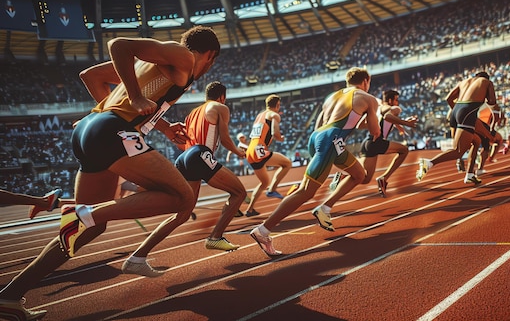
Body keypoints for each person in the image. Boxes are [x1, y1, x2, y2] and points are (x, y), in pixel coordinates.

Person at [0, 26, 220, 320]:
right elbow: (118, 45)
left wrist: (164, 127)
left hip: (91, 130)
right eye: (212, 62)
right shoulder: (183, 56)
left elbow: (90, 76)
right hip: (111, 130)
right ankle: (82, 214)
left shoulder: (153, 65)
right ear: (210, 55)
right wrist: (132, 97)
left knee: (89, 229)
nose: (208, 68)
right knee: (181, 198)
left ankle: (9, 296)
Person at [249, 67, 381, 257]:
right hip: (332, 139)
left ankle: (325, 207)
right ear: (366, 81)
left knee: (360, 174)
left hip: (320, 137)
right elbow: (375, 131)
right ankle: (263, 231)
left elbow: (323, 123)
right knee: (306, 191)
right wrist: (376, 118)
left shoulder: (333, 97)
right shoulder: (368, 99)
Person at [174, 81, 247, 251]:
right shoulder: (221, 107)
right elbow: (226, 139)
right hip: (200, 156)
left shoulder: (192, 113)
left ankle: (140, 253)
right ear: (222, 97)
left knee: (185, 210)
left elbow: (184, 141)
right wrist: (238, 152)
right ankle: (215, 237)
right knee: (239, 193)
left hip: (186, 157)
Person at [416, 71, 498, 184]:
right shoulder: (487, 82)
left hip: (455, 110)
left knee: (476, 141)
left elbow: (448, 98)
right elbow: (492, 101)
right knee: (458, 151)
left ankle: (469, 174)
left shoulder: (464, 81)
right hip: (467, 110)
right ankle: (430, 162)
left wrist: (459, 111)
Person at [356, 89, 417, 197]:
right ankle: (384, 178)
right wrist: (406, 123)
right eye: (396, 100)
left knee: (364, 178)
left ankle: (342, 176)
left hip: (367, 142)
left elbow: (360, 125)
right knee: (404, 150)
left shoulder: (375, 109)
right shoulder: (394, 108)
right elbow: (388, 117)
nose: (398, 102)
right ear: (390, 100)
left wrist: (399, 126)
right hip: (377, 142)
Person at [244, 94, 292, 217]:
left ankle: (250, 209)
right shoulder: (274, 115)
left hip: (250, 151)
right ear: (277, 105)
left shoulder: (260, 116)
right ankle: (272, 190)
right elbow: (274, 132)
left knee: (264, 182)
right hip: (258, 149)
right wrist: (279, 137)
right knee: (287, 163)